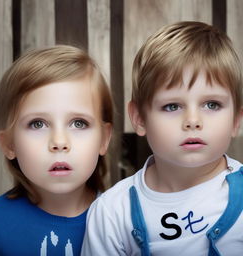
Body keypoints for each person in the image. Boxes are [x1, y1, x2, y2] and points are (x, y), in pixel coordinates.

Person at [81, 21, 243, 256]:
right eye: (172, 106)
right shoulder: (113, 211)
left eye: (212, 104)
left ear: (236, 121)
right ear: (139, 119)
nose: (192, 120)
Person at [0, 45, 113, 256]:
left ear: (103, 138)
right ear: (9, 144)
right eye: (37, 124)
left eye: (79, 123)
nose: (59, 142)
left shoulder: (125, 220)